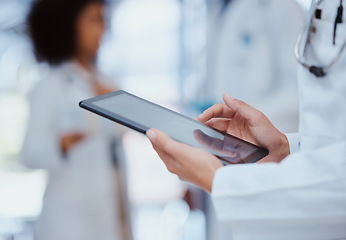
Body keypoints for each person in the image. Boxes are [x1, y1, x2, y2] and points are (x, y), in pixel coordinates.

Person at [147, 0, 346, 239]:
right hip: (244, 154)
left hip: (276, 186)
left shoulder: (280, 9)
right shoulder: (214, 12)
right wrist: (283, 147)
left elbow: (298, 97)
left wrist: (221, 182)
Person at [21, 0, 131, 240]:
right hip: (69, 223)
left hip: (113, 216)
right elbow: (28, 154)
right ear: (69, 25)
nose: (101, 29)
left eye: (103, 20)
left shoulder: (108, 83)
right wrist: (60, 145)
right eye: (93, 20)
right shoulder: (50, 86)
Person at [192, 0, 305, 133]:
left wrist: (243, 121)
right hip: (224, 135)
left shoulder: (282, 7)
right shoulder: (216, 7)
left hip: (270, 135)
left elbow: (297, 91)